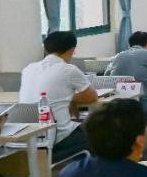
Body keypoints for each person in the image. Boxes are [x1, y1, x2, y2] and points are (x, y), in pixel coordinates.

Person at [19, 31, 98, 162]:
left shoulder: (28, 69)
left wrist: (66, 98)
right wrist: (69, 98)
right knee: (100, 131)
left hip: (29, 139)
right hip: (57, 140)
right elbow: (92, 97)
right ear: (72, 50)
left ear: (46, 49)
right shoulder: (68, 70)